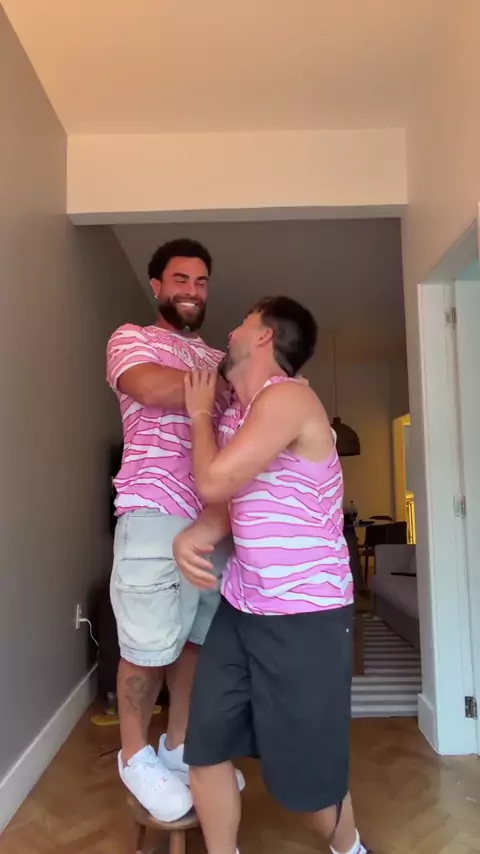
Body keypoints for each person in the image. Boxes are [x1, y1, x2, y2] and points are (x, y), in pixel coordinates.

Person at [172, 296, 373, 854]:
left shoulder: (289, 398)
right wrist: (194, 534)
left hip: (305, 616)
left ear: (264, 336)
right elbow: (229, 501)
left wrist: (196, 413)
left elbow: (213, 480)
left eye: (243, 321)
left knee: (310, 784)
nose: (230, 330)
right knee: (204, 747)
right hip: (242, 608)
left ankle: (351, 849)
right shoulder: (238, 416)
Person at [106, 238, 243, 822]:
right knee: (144, 649)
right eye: (180, 279)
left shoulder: (216, 355)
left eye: (201, 281)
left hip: (213, 519)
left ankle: (178, 742)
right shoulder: (131, 338)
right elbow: (149, 387)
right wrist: (225, 382)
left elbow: (249, 414)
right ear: (157, 285)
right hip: (152, 510)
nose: (192, 291)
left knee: (196, 642)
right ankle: (133, 754)